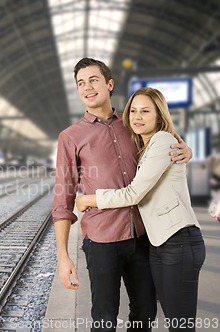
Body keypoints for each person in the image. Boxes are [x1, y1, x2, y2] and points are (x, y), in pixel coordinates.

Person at [52, 58, 192, 332]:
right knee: (104, 319)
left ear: (109, 84)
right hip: (102, 241)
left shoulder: (133, 123)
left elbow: (167, 140)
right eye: (81, 83)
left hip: (143, 237)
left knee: (145, 313)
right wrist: (63, 257)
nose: (87, 87)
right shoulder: (70, 137)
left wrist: (186, 151)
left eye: (94, 79)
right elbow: (63, 201)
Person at [75, 87, 205, 331]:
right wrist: (189, 151)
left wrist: (88, 200)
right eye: (133, 111)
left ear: (159, 115)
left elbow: (134, 193)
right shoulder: (147, 144)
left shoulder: (163, 140)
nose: (137, 117)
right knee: (173, 320)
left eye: (145, 111)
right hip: (160, 243)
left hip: (179, 241)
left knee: (181, 325)